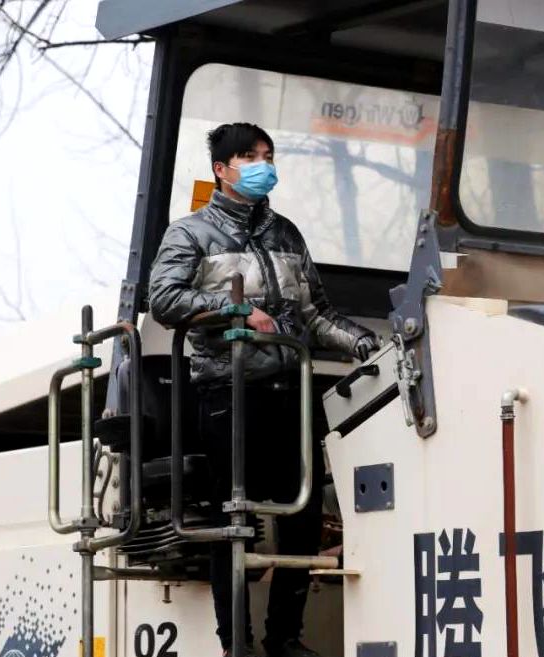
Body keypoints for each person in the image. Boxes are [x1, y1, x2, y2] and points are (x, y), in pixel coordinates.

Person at [148, 122, 379, 657]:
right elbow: (164, 298)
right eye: (249, 157)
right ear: (221, 169)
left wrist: (361, 342)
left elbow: (314, 313)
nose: (263, 166)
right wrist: (236, 309)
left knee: (302, 515)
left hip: (289, 390)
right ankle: (236, 643)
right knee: (234, 518)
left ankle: (284, 639)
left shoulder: (286, 234)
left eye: (268, 156)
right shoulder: (190, 234)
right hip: (228, 391)